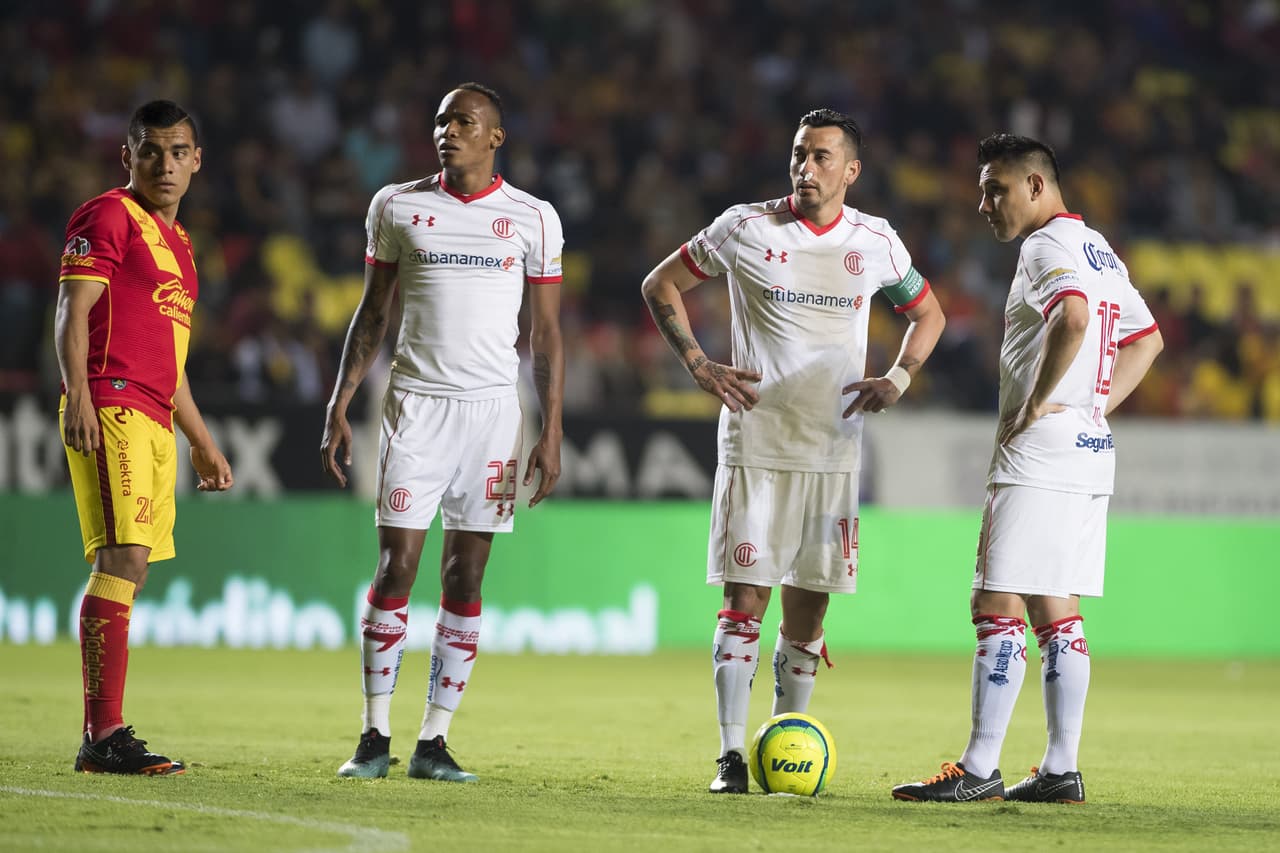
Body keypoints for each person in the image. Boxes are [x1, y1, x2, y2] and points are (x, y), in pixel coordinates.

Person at [641, 108, 946, 794]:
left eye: (821, 157)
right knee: (745, 599)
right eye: (799, 154)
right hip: (755, 446)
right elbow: (659, 284)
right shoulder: (745, 228)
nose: (806, 168)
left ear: (851, 170)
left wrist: (899, 376)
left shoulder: (875, 242)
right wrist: (698, 364)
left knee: (809, 613)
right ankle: (727, 755)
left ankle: (786, 743)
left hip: (833, 453)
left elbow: (929, 312)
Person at [892, 134, 1163, 804]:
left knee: (996, 604)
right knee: (1056, 610)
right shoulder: (1097, 246)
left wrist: (1040, 402)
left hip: (1040, 451)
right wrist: (1093, 407)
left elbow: (1072, 316)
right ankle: (1060, 768)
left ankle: (980, 766)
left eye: (996, 188)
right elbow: (1148, 338)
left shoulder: (1045, 248)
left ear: (1036, 187)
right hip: (1089, 449)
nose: (984, 203)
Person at [321, 82, 564, 782]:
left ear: (496, 137)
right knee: (396, 566)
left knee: (466, 574)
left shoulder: (533, 219)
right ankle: (373, 734)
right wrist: (341, 399)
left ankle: (433, 740)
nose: (447, 131)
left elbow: (546, 335)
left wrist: (550, 432)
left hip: (492, 416)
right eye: (440, 120)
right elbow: (372, 313)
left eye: (464, 122)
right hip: (416, 407)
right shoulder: (397, 206)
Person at [56, 100, 234, 775]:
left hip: (157, 415)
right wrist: (78, 393)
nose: (165, 164)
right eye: (150, 150)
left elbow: (173, 360)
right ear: (126, 156)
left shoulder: (181, 246)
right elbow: (71, 310)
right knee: (121, 557)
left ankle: (102, 735)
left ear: (196, 161)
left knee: (132, 566)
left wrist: (202, 439)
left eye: (177, 151)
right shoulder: (106, 215)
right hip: (113, 402)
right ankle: (103, 736)